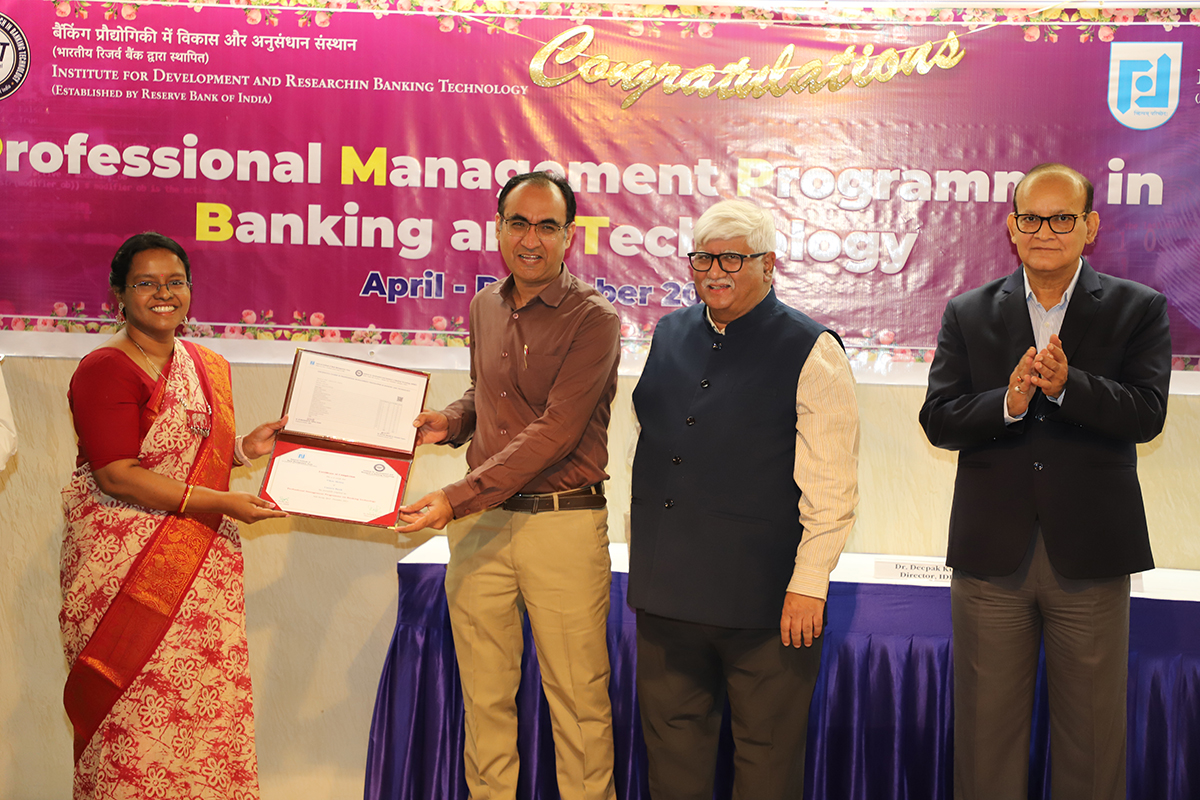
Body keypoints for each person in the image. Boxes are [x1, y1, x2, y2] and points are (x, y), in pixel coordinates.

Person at [919, 163, 1171, 800]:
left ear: (1090, 226)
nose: (1046, 231)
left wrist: (1067, 388)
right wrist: (1006, 404)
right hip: (991, 558)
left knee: (1092, 744)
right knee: (985, 743)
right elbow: (939, 419)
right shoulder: (968, 311)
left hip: (1090, 555)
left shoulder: (1137, 308)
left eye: (1063, 219)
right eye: (1032, 219)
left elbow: (1147, 414)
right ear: (1012, 228)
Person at [396, 171, 620, 800]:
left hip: (561, 524)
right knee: (485, 700)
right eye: (518, 223)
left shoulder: (594, 319)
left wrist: (454, 497)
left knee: (579, 706)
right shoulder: (484, 306)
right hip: (482, 528)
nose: (531, 239)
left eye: (547, 226)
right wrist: (450, 422)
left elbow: (556, 431)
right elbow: (490, 396)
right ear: (498, 229)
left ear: (569, 237)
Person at [628, 199, 860, 800]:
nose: (716, 271)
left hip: (767, 607)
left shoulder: (812, 349)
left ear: (769, 264)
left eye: (733, 258)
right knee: (672, 769)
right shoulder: (669, 333)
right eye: (703, 258)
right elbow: (655, 447)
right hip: (667, 599)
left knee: (767, 768)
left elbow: (832, 487)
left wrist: (809, 583)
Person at [60, 232, 289, 800]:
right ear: (119, 293)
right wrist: (226, 503)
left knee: (203, 710)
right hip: (124, 575)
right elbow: (117, 475)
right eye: (146, 283)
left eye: (175, 282)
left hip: (200, 577)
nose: (164, 294)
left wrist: (244, 451)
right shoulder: (105, 368)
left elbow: (185, 461)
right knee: (134, 722)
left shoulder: (206, 365)